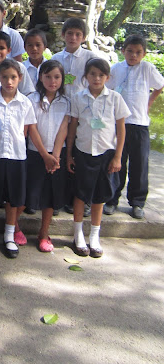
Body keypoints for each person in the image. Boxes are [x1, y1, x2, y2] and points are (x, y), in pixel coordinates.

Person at [67, 58, 131, 258]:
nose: (96, 78)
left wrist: (118, 157)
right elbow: (72, 127)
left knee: (100, 196)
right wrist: (69, 154)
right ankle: (78, 235)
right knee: (80, 194)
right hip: (83, 152)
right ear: (86, 76)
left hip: (106, 154)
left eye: (101, 75)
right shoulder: (78, 97)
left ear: (108, 77)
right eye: (92, 74)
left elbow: (121, 129)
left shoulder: (115, 98)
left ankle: (94, 236)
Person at [0, 59, 45, 258]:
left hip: (17, 156)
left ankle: (9, 236)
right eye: (5, 77)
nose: (9, 81)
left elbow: (28, 130)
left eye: (13, 77)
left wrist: (45, 155)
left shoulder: (25, 103)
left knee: (13, 199)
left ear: (20, 78)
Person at [104, 34, 164, 219]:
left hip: (139, 124)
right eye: (130, 51)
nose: (133, 55)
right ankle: (111, 199)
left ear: (144, 54)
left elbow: (160, 85)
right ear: (123, 51)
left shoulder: (147, 68)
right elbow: (107, 89)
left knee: (140, 164)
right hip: (118, 124)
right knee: (116, 162)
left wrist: (149, 102)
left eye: (138, 52)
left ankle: (137, 202)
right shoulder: (116, 68)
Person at [52, 17, 98, 215]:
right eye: (69, 33)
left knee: (81, 156)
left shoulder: (90, 58)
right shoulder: (56, 58)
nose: (73, 37)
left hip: (83, 114)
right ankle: (59, 198)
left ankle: (82, 199)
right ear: (63, 35)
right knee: (62, 154)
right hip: (60, 113)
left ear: (84, 37)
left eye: (78, 34)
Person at [25, 60, 69, 252]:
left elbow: (64, 128)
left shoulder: (66, 102)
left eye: (57, 77)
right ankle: (14, 228)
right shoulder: (31, 99)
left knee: (50, 196)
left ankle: (43, 233)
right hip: (35, 153)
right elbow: (31, 128)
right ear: (40, 77)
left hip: (56, 155)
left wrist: (55, 156)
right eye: (48, 76)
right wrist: (45, 155)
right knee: (29, 192)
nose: (52, 81)